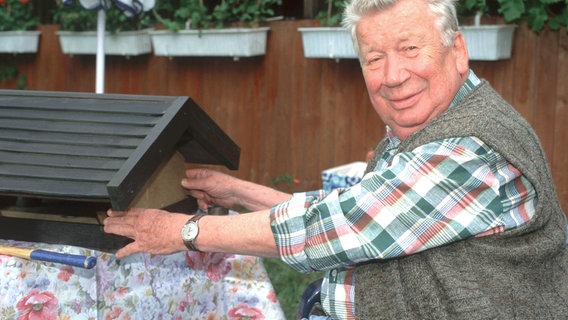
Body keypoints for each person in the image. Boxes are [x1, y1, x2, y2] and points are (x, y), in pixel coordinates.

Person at [103, 0, 568, 318]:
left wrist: (183, 232)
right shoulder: (427, 127)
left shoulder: (470, 151)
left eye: (410, 49)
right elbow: (351, 216)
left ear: (458, 50)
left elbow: (342, 228)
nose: (392, 76)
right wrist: (236, 191)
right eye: (374, 58)